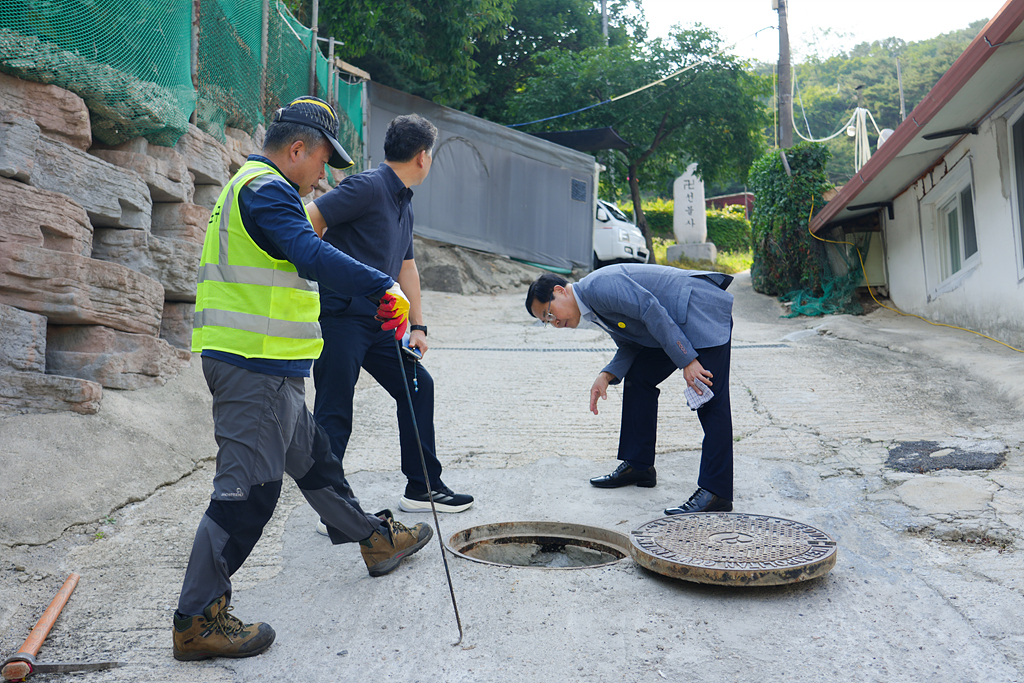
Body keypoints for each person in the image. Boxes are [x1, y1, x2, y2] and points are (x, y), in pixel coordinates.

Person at [174, 97, 433, 663]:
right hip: (252, 366)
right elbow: (307, 250)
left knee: (317, 463)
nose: (325, 175)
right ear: (297, 149)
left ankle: (373, 540)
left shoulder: (258, 187)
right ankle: (197, 618)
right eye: (322, 161)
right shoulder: (266, 190)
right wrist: (380, 287)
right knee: (248, 495)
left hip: (272, 366)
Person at [306, 113, 473, 518]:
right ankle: (332, 509)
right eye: (430, 154)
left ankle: (422, 487)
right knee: (335, 411)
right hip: (342, 317)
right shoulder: (368, 185)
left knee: (419, 386)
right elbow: (311, 218)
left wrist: (418, 326)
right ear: (422, 156)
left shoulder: (403, 202)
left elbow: (407, 267)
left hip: (382, 324)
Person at [524, 264, 735, 515]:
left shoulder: (597, 286)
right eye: (547, 321)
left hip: (699, 312)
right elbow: (632, 342)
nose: (555, 322)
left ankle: (717, 491)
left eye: (549, 313)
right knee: (639, 377)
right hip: (670, 325)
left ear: (560, 291)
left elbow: (650, 309)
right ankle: (639, 465)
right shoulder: (591, 308)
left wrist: (687, 361)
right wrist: (607, 374)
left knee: (709, 398)